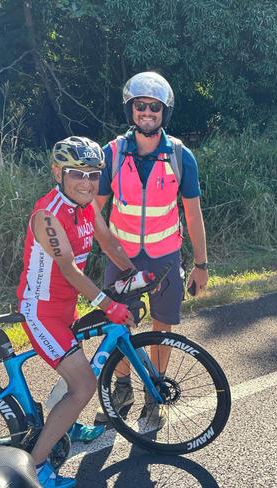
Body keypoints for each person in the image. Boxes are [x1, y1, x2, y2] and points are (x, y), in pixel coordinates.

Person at [17, 136, 135, 487]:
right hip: (41, 312)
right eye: (75, 173)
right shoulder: (49, 215)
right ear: (57, 172)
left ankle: (64, 423)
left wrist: (133, 275)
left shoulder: (85, 205)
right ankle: (36, 468)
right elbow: (69, 269)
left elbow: (108, 241)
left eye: (93, 174)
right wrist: (108, 305)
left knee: (79, 371)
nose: (86, 182)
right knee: (83, 385)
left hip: (65, 308)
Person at [93, 72, 208, 426]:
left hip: (164, 259)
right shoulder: (111, 154)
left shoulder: (179, 155)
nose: (147, 112)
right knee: (119, 326)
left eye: (154, 107)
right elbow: (95, 212)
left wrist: (201, 264)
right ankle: (123, 386)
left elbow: (192, 213)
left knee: (162, 327)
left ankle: (153, 393)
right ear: (131, 109)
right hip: (120, 258)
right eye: (140, 106)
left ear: (164, 112)